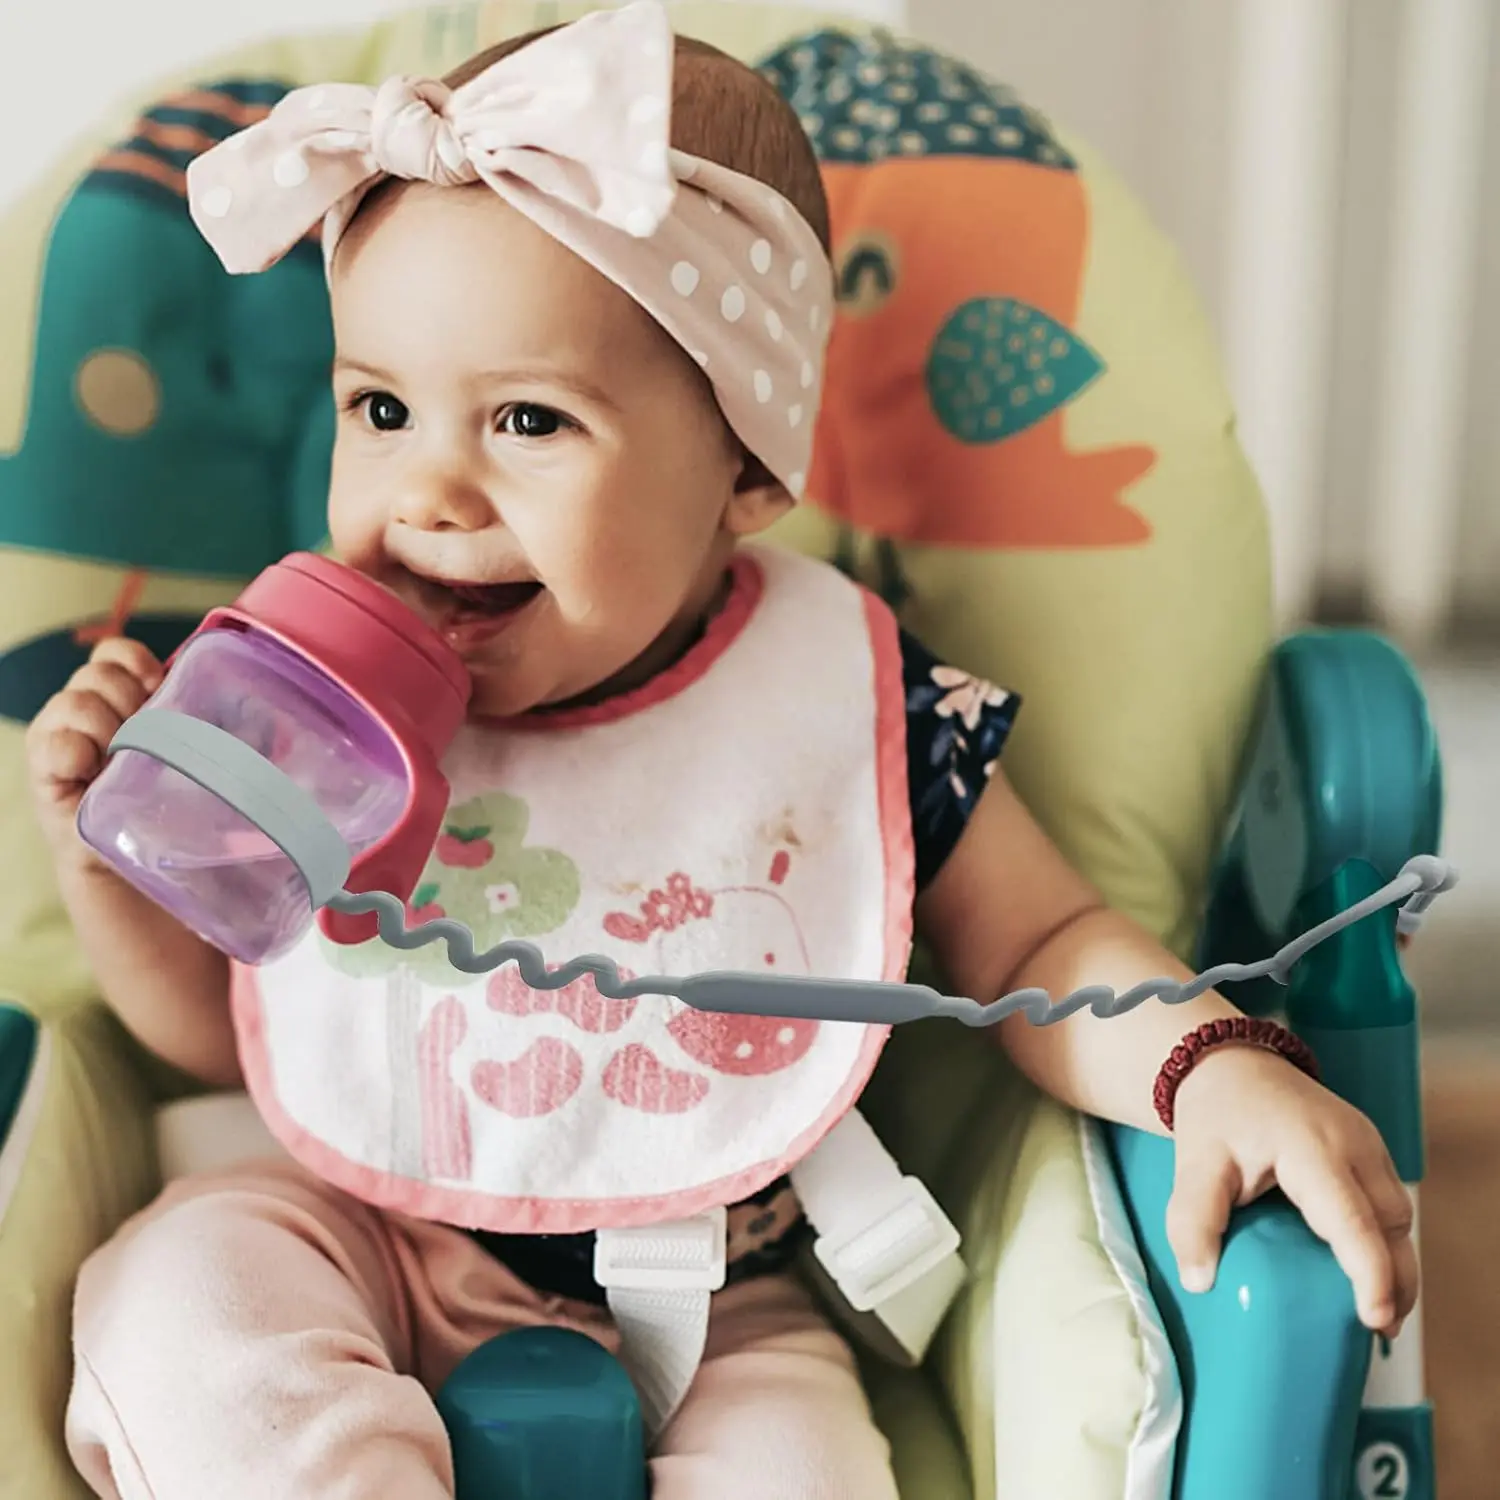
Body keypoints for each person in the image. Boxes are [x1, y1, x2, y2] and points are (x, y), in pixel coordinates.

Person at [26, 5, 1416, 1497]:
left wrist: (1207, 1062)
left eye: (529, 421)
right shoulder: (301, 703)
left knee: (802, 1469)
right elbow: (202, 1030)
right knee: (181, 1303)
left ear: (745, 470)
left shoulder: (850, 695)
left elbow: (1048, 938)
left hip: (717, 1286)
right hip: (344, 1221)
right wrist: (101, 848)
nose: (429, 488)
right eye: (380, 407)